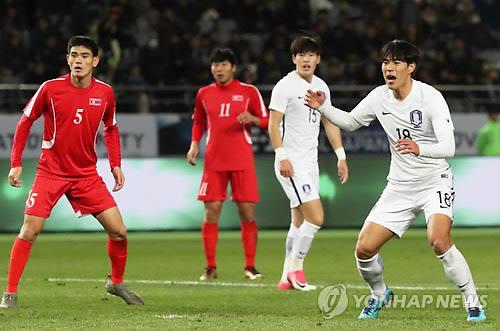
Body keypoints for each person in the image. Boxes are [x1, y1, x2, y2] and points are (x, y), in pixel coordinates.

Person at [305, 39, 486, 322]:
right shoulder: (379, 97)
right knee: (364, 250)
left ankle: (473, 302)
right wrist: (323, 107)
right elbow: (352, 122)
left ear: (411, 67)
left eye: (396, 62)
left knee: (439, 240)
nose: (388, 68)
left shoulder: (430, 98)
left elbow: (449, 146)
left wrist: (419, 148)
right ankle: (379, 293)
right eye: (385, 63)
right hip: (399, 186)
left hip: (433, 181)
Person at [0, 36, 143, 308]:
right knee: (30, 230)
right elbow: (25, 122)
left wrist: (115, 164)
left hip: (86, 175)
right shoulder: (50, 88)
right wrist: (15, 162)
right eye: (74, 55)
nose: (78, 60)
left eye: (85, 56)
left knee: (119, 232)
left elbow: (111, 128)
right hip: (50, 172)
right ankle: (10, 292)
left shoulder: (105, 93)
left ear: (95, 61)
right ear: (67, 59)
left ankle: (116, 282)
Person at [268, 36, 349, 291]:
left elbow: (329, 121)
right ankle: (296, 269)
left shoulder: (322, 86)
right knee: (316, 217)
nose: (306, 59)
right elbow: (273, 124)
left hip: (310, 162)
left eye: (311, 54)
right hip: (291, 163)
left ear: (318, 59)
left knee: (298, 222)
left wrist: (341, 155)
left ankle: (284, 278)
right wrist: (281, 155)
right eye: (301, 54)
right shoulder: (285, 86)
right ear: (294, 59)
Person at [186, 48, 268, 281]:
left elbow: (267, 120)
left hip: (242, 160)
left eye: (223, 64)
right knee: (211, 213)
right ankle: (210, 267)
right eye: (215, 65)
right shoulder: (203, 93)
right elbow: (198, 122)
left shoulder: (249, 92)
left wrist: (252, 119)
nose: (218, 69)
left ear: (233, 67)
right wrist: (194, 145)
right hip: (214, 161)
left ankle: (250, 266)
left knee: (247, 213)